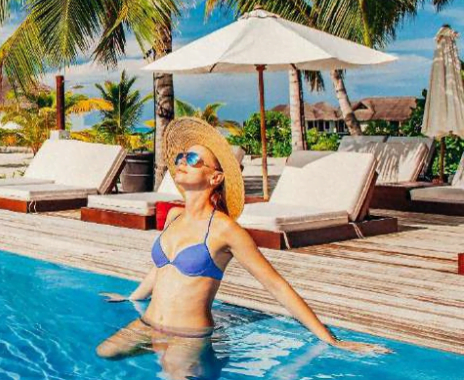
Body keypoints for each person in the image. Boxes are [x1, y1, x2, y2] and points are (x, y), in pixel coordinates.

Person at [96, 118, 388, 376]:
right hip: (148, 324)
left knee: (176, 374)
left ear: (215, 177)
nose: (182, 161)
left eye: (194, 158)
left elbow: (277, 286)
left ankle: (207, 362)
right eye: (182, 156)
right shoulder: (173, 216)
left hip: (189, 335)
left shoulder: (226, 230)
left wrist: (331, 340)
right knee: (104, 353)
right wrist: (131, 297)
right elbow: (162, 269)